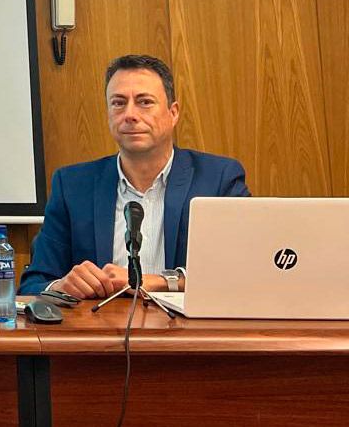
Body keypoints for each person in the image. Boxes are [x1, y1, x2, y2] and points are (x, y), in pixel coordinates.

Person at [19, 54, 249, 298]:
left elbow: (245, 272)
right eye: (118, 103)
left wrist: (159, 282)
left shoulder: (218, 180)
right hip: (101, 331)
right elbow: (33, 284)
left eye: (144, 102)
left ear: (173, 113)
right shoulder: (73, 186)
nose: (129, 114)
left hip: (187, 332)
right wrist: (60, 286)